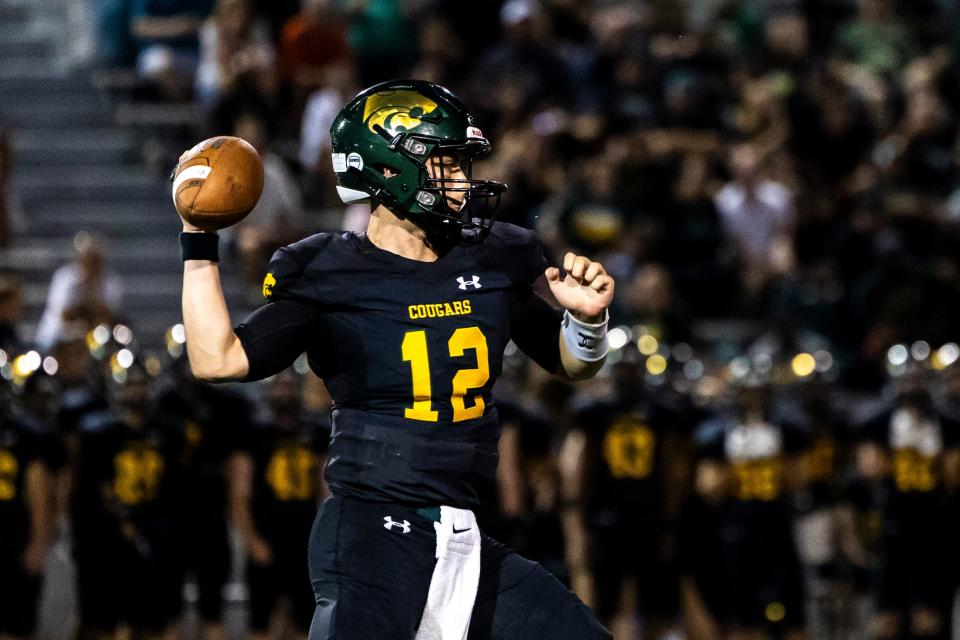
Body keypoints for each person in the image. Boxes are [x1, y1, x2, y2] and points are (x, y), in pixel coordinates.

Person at [176, 79, 614, 639]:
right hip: (372, 534)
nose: (463, 180)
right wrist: (198, 240)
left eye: (462, 164)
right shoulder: (329, 272)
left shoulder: (495, 257)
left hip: (466, 536)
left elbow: (573, 364)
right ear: (388, 169)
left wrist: (587, 321)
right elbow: (219, 359)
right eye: (446, 164)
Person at [229, 369, 328, 640]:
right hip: (267, 536)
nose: (285, 393)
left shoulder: (316, 434)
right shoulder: (252, 436)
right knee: (260, 622)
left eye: (290, 386)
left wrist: (325, 539)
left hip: (304, 539)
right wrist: (252, 541)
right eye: (279, 387)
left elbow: (327, 492)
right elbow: (239, 494)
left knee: (303, 620)